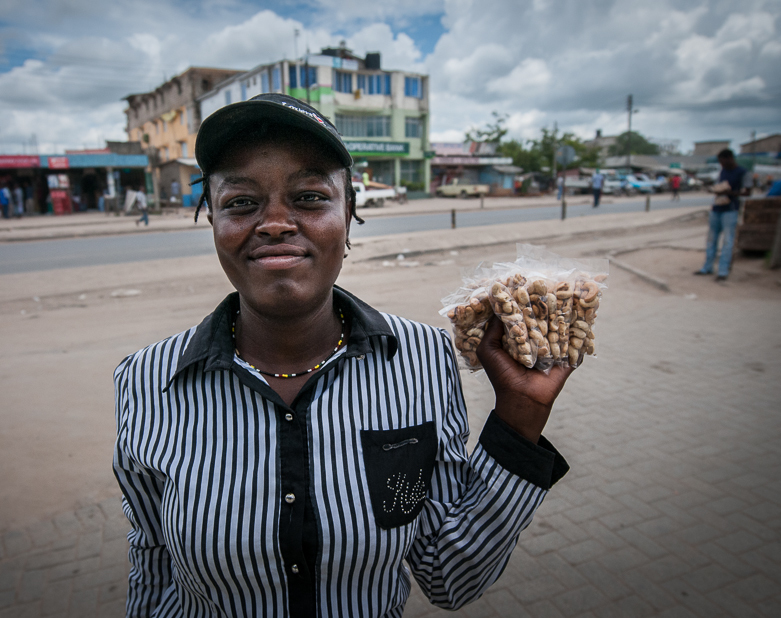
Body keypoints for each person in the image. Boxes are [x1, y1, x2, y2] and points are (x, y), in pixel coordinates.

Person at [113, 93, 573, 617]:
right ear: (213, 222)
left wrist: (521, 416)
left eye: (309, 197)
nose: (276, 223)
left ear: (349, 217)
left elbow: (449, 575)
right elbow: (152, 569)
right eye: (241, 202)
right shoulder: (149, 381)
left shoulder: (421, 361)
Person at [695, 149, 752, 282]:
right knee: (711, 239)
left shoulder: (743, 173)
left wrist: (730, 193)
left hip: (731, 210)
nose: (722, 164)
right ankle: (707, 267)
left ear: (730, 158)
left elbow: (747, 193)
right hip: (717, 208)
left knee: (727, 241)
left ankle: (723, 270)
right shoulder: (723, 171)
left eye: (723, 161)